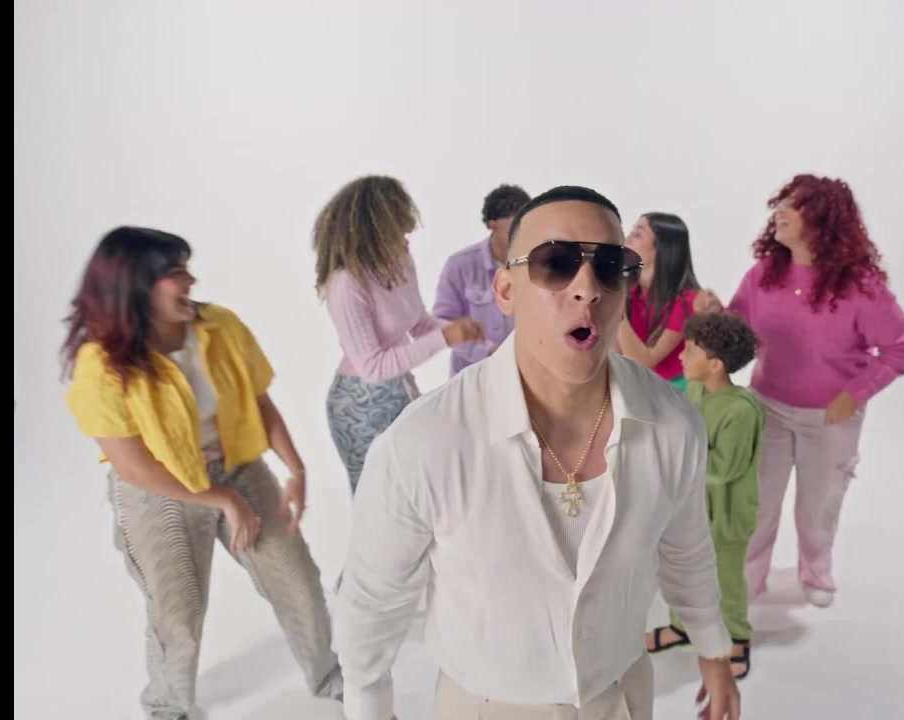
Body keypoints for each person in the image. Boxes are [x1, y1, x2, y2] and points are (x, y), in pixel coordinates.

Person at [333, 186, 742, 720]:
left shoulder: (673, 424)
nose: (587, 289)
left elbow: (687, 549)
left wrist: (713, 648)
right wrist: (367, 707)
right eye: (555, 263)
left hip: (622, 696)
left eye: (609, 266)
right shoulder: (424, 441)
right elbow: (372, 601)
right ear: (506, 290)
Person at [61, 227, 343, 720]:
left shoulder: (220, 326)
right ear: (135, 287)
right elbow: (132, 466)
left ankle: (329, 677)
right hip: (158, 489)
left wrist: (295, 468)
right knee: (179, 610)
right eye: (176, 273)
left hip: (237, 468)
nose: (191, 280)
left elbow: (259, 401)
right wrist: (222, 500)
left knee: (298, 581)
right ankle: (168, 706)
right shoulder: (100, 367)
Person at [693, 174, 904, 607]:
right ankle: (746, 578)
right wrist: (716, 312)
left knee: (819, 506)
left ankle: (816, 572)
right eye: (781, 203)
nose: (780, 211)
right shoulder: (764, 275)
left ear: (823, 220)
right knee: (756, 501)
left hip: (830, 418)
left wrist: (854, 394)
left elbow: (901, 346)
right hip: (768, 409)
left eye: (794, 206)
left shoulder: (862, 288)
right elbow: (738, 330)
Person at [314, 175, 484, 494]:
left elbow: (417, 322)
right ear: (376, 228)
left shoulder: (400, 261)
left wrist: (474, 341)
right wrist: (446, 337)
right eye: (401, 228)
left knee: (426, 484)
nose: (409, 234)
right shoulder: (346, 285)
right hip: (359, 409)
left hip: (401, 392)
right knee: (379, 500)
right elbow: (373, 367)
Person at [646, 313, 763, 682]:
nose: (681, 356)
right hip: (689, 508)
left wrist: (675, 456)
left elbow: (724, 469)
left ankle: (738, 638)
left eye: (690, 351)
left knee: (724, 580)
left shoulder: (741, 411)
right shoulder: (694, 390)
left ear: (715, 365)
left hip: (725, 516)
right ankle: (682, 627)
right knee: (681, 570)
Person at [432, 183, 530, 375]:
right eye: (515, 224)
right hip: (472, 376)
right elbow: (444, 324)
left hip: (527, 375)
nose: (523, 232)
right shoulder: (460, 265)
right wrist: (489, 352)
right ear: (492, 225)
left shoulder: (539, 262)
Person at [613, 212, 701, 392]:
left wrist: (616, 307)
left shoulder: (687, 302)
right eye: (631, 231)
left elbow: (645, 361)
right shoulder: (630, 292)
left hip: (676, 393)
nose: (628, 238)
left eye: (638, 234)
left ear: (661, 248)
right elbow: (616, 354)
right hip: (639, 386)